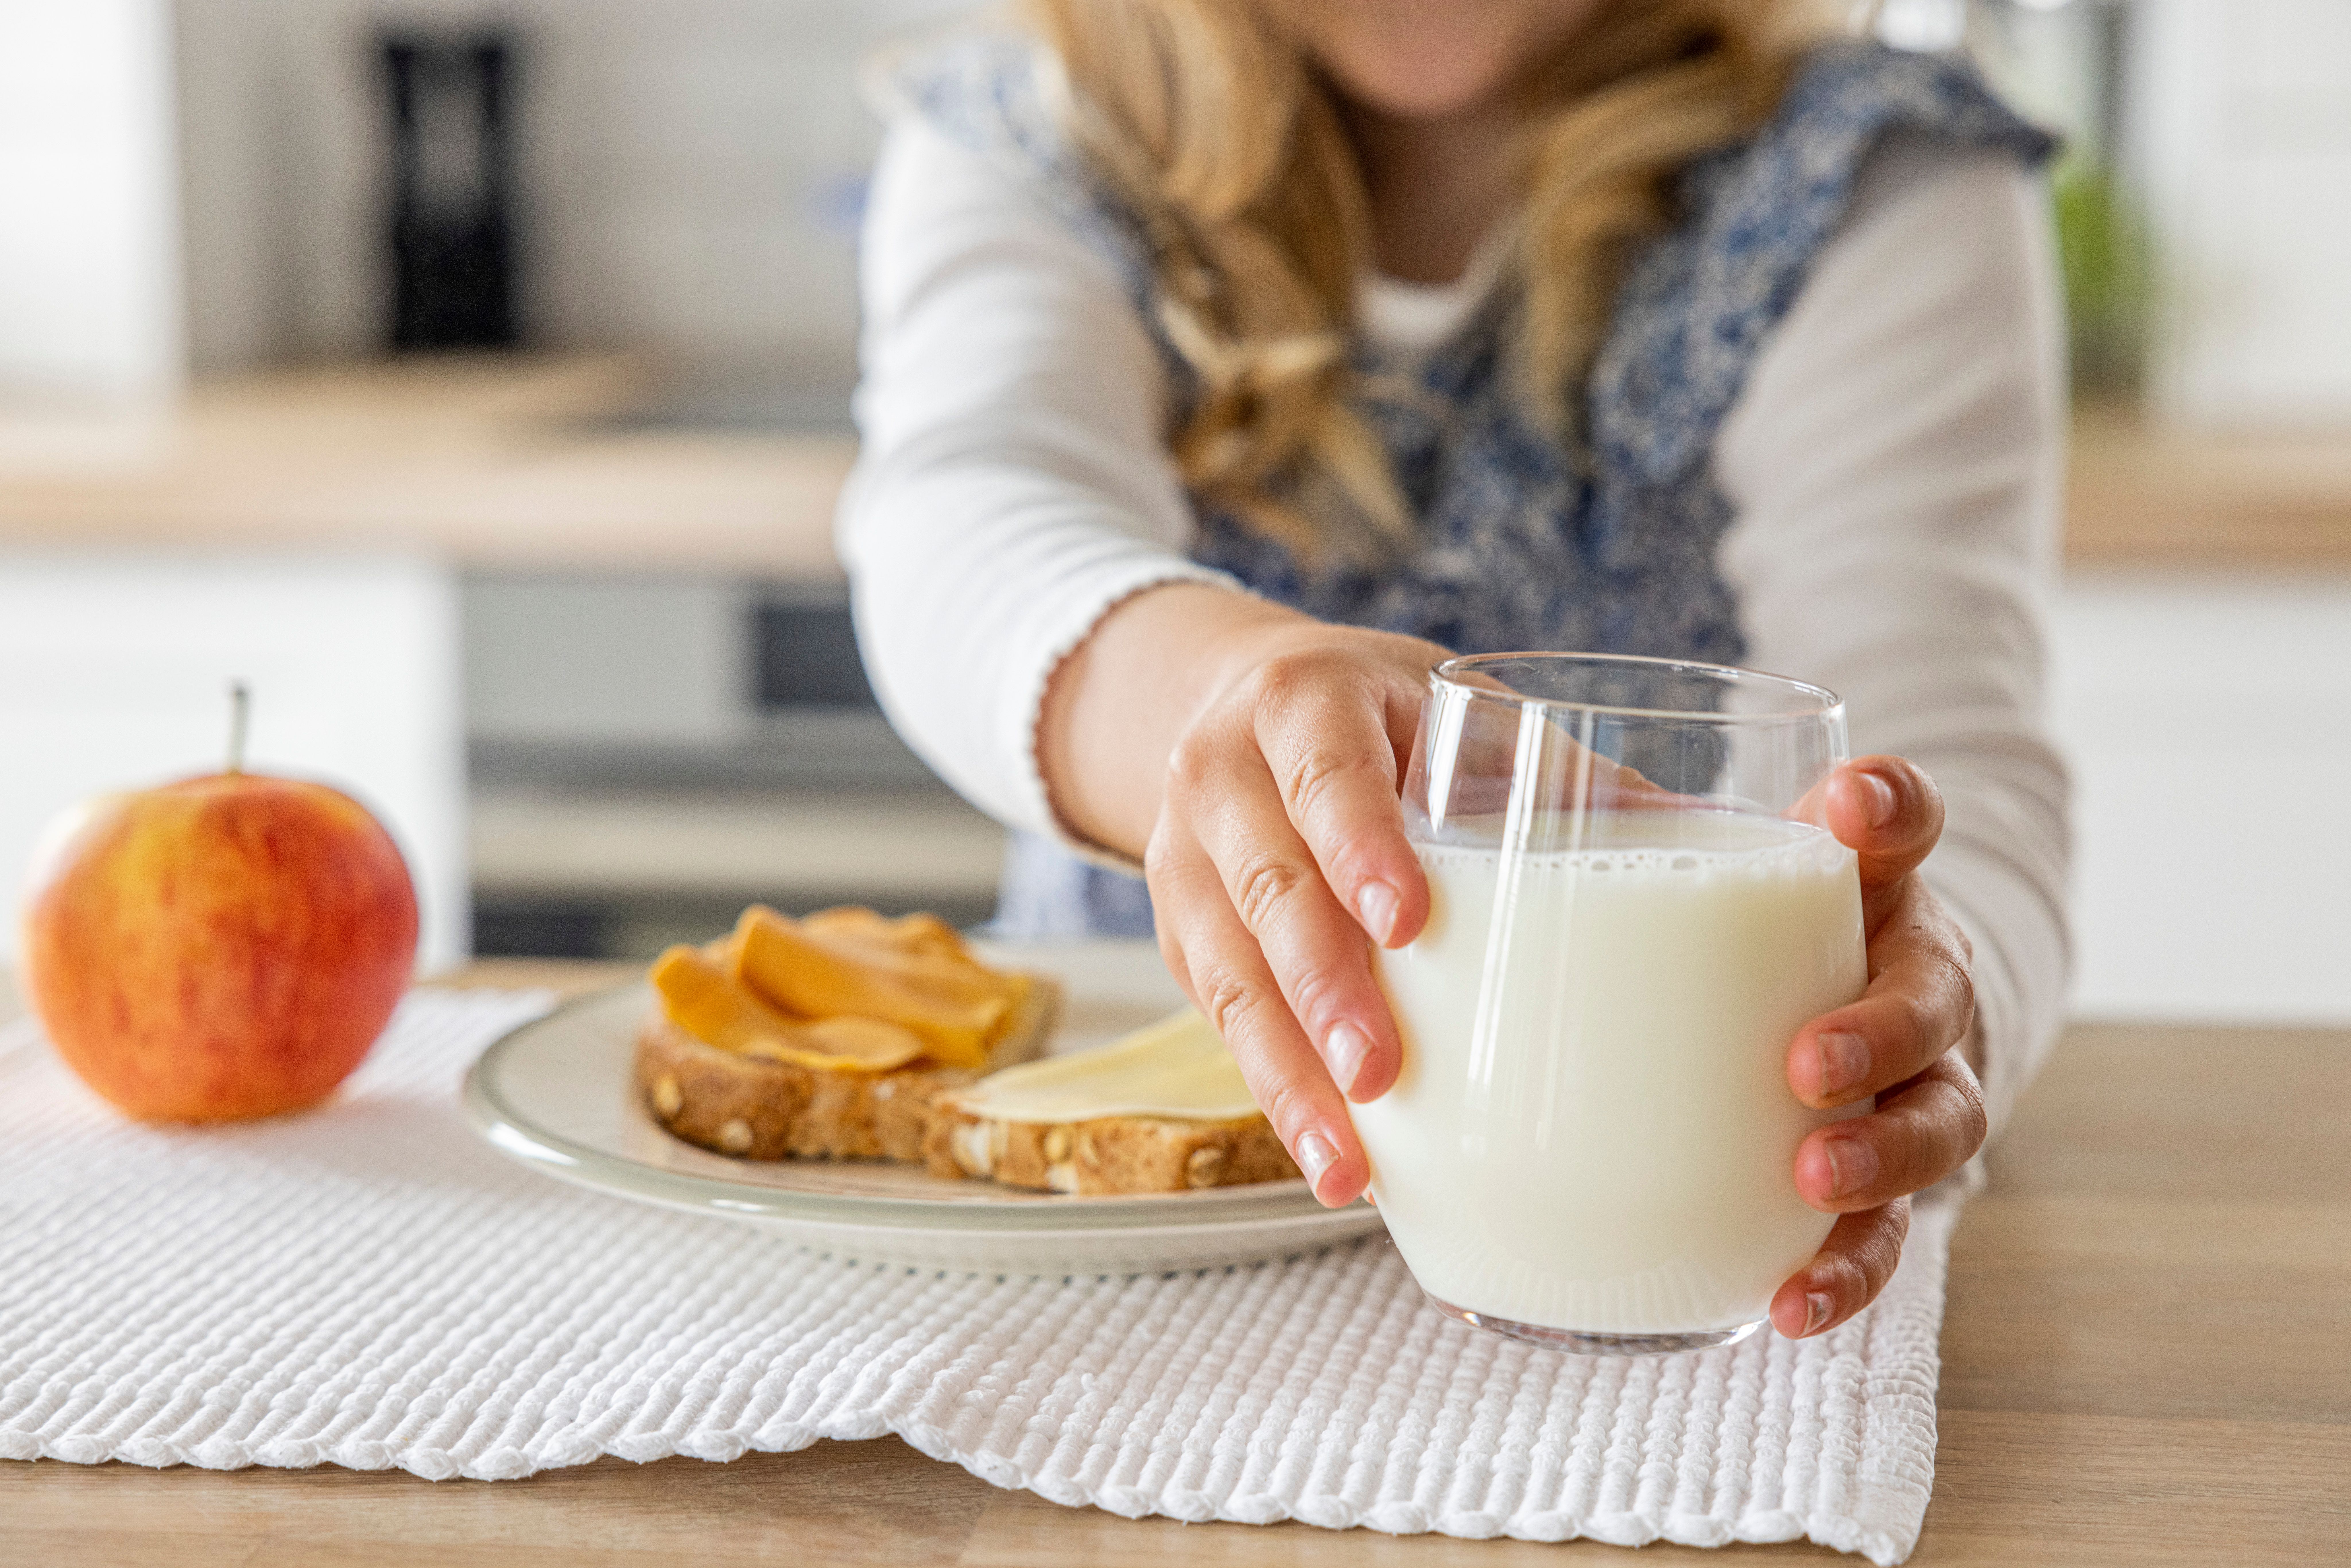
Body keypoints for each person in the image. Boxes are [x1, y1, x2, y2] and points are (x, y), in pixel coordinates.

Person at [837, 0, 2069, 1342]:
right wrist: (1226, 688)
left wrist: (1935, 1015)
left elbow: (1946, 765)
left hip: (1662, 1260)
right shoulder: (1038, 135)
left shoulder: (1870, 172)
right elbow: (962, 528)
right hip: (1124, 1271)